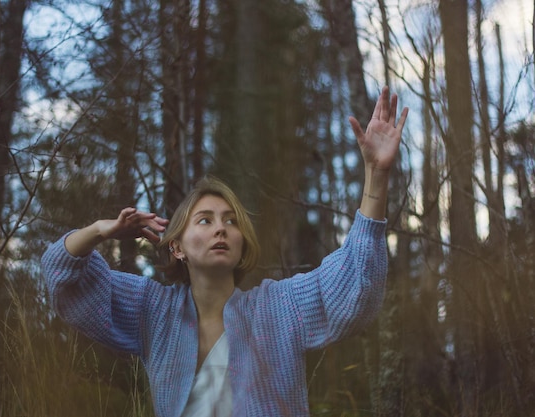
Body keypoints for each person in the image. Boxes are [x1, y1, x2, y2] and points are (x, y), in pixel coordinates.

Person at [41, 85, 408, 416]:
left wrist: (376, 177)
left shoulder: (278, 308)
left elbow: (353, 287)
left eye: (231, 221)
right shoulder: (153, 312)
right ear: (177, 247)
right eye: (204, 220)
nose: (221, 227)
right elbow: (65, 281)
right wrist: (100, 231)